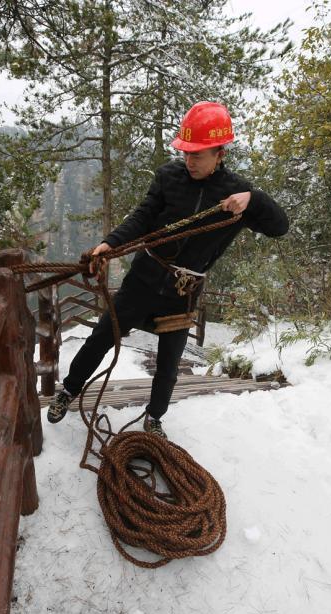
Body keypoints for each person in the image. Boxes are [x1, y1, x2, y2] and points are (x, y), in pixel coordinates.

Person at [48, 101, 289, 439]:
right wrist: (110, 244)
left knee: (169, 363)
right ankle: (69, 391)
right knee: (102, 336)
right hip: (145, 276)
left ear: (220, 152)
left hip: (183, 291)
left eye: (198, 155)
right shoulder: (169, 176)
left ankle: (155, 417)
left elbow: (280, 227)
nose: (189, 161)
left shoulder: (236, 196)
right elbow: (143, 216)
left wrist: (254, 198)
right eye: (186, 153)